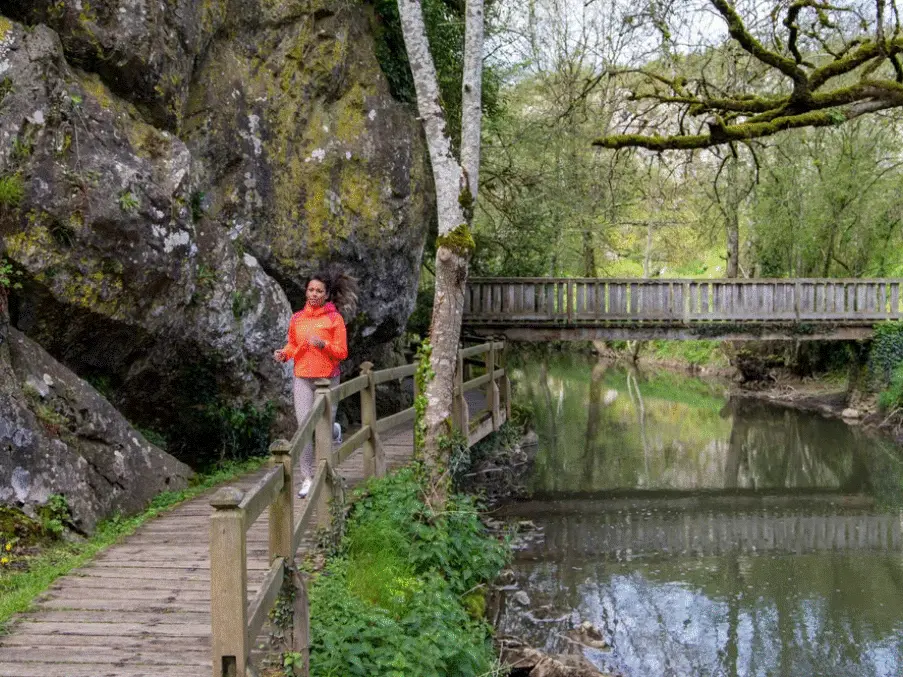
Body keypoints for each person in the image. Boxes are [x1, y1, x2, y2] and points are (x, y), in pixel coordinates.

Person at [274, 270, 357, 497]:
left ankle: (334, 433)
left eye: (319, 290)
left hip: (327, 378)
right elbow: (293, 345)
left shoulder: (334, 319)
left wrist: (323, 344)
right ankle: (308, 478)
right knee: (304, 428)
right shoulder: (297, 318)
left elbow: (342, 352)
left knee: (323, 428)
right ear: (306, 291)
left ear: (327, 294)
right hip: (302, 377)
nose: (314, 293)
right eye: (311, 289)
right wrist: (284, 354)